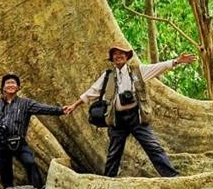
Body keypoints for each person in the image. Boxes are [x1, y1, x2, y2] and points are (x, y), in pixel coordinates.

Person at [66, 46, 196, 177]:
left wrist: (177, 61)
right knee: (114, 153)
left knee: (153, 147)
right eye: (115, 54)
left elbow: (158, 67)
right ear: (112, 59)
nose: (118, 56)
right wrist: (74, 105)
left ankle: (172, 176)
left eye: (121, 53)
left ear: (127, 57)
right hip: (117, 119)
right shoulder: (108, 76)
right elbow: (92, 92)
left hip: (136, 117)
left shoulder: (138, 71)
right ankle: (108, 181)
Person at [0, 75, 69, 189]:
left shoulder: (26, 103)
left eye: (13, 83)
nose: (11, 85)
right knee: (5, 170)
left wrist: (61, 110)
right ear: (3, 88)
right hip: (2, 143)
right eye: (8, 83)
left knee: (30, 162)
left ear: (18, 87)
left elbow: (44, 108)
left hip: (19, 142)